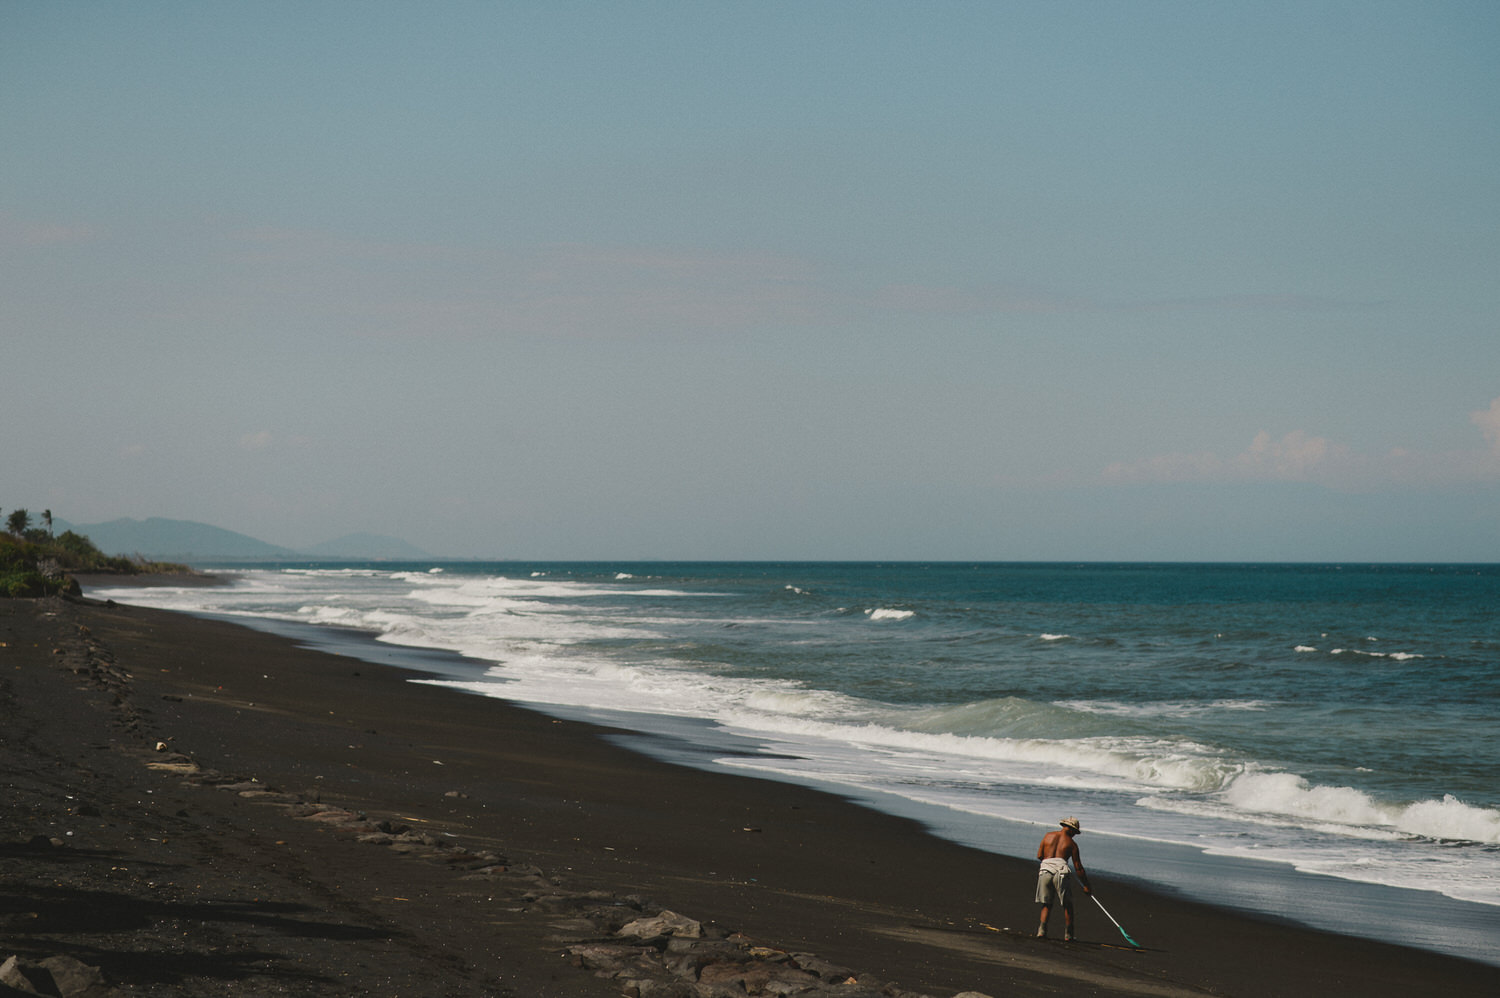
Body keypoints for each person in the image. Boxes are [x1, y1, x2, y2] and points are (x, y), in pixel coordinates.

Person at [1035, 816, 1091, 941]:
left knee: (1046, 904)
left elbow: (1039, 855)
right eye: (1075, 833)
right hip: (1060, 873)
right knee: (1067, 905)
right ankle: (1069, 935)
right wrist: (1086, 885)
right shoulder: (1072, 844)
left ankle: (1041, 931)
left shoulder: (1047, 836)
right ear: (1071, 829)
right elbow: (1079, 868)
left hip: (1045, 870)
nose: (1074, 835)